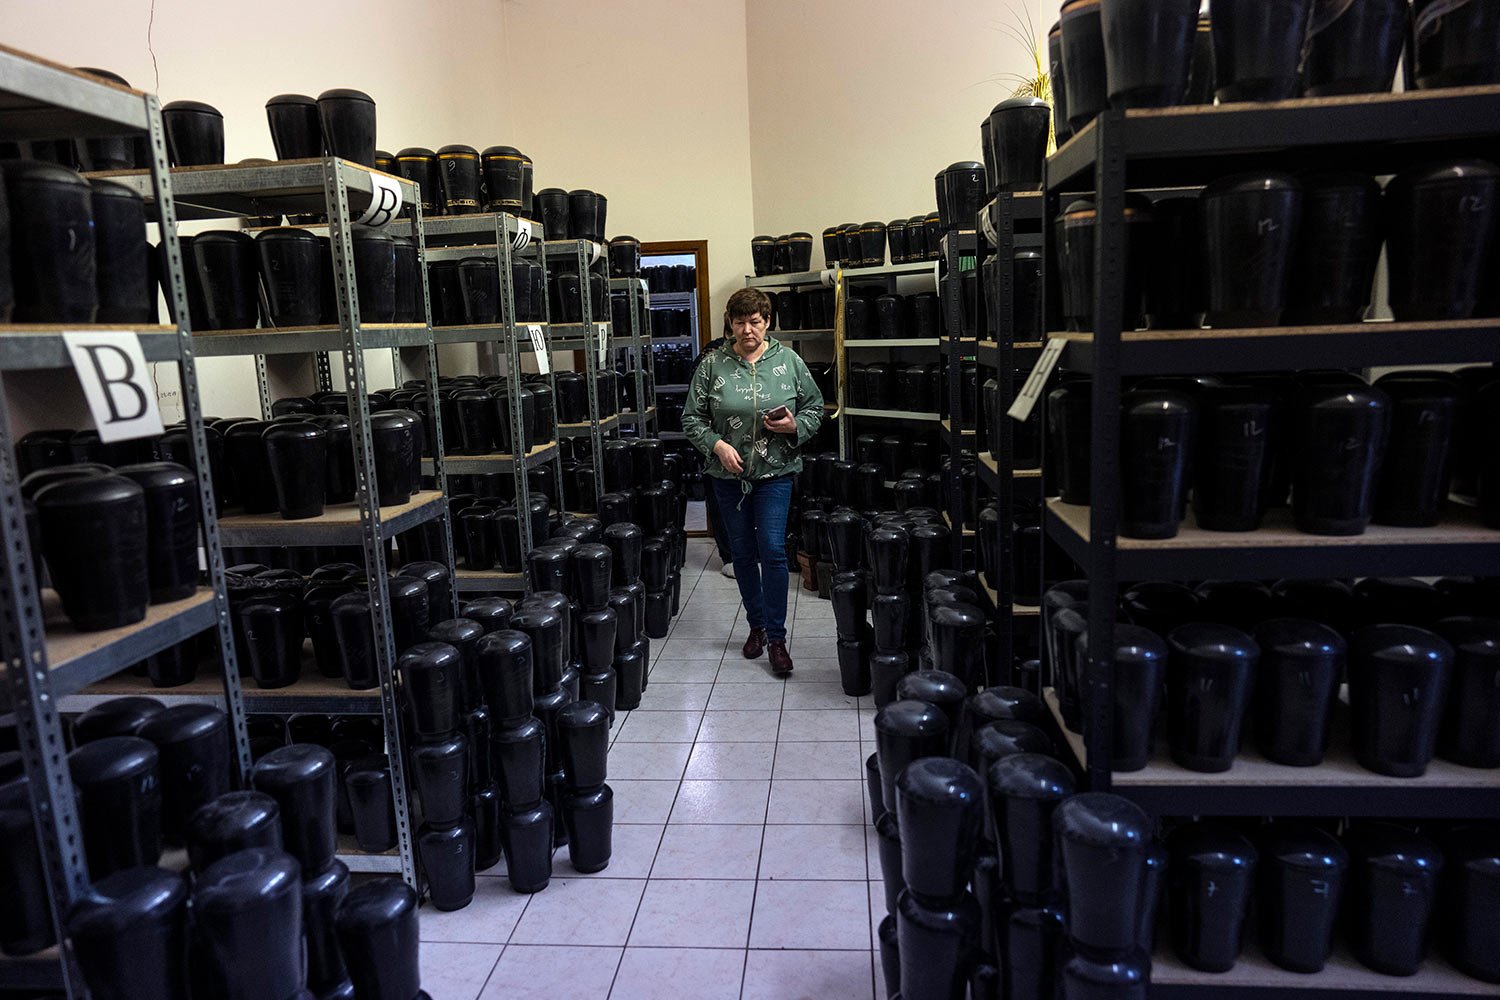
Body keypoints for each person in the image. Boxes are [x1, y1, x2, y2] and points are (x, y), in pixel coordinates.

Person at [681, 287, 824, 675]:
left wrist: (796, 425)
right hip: (729, 476)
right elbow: (690, 419)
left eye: (756, 322)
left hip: (776, 472)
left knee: (773, 550)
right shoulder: (712, 366)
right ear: (730, 323)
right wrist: (717, 445)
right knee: (742, 554)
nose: (748, 330)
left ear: (768, 322)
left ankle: (777, 638)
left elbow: (816, 407)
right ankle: (756, 626)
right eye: (740, 321)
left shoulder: (790, 361)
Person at [694, 320, 736, 576]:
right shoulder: (709, 358)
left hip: (753, 446)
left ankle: (747, 554)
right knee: (721, 499)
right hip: (716, 441)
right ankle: (729, 554)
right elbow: (695, 411)